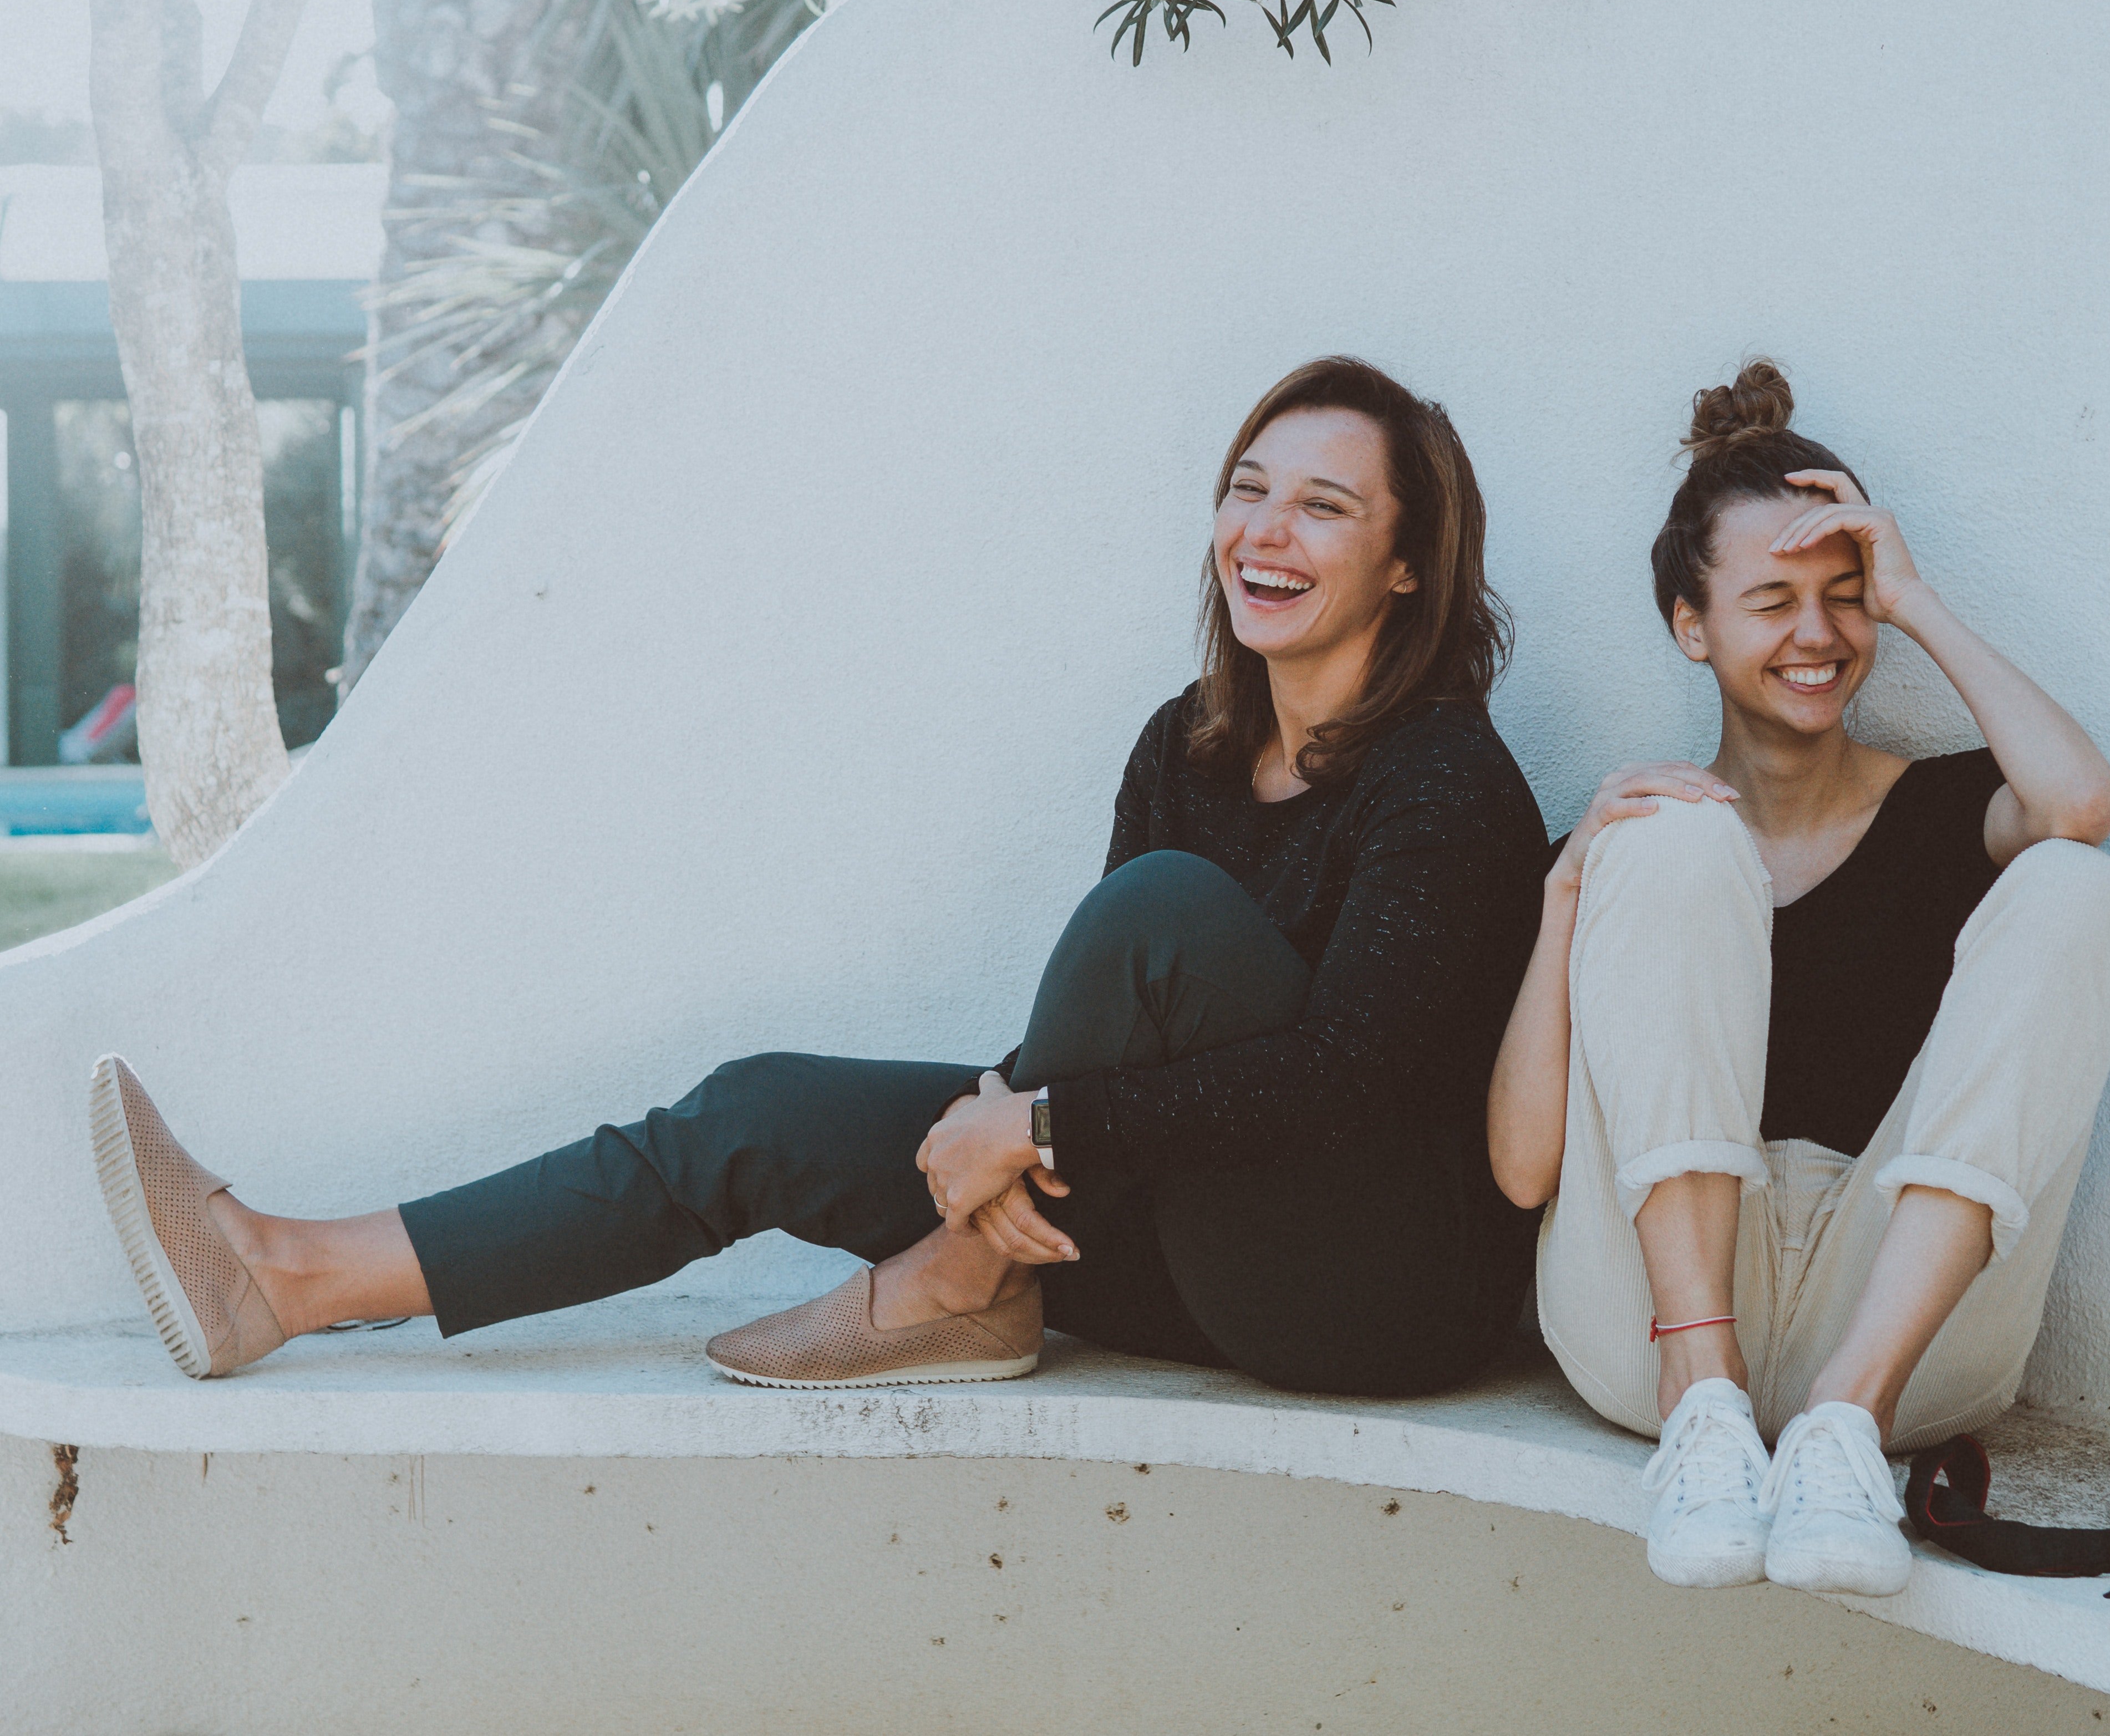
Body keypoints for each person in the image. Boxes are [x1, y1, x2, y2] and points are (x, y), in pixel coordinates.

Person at [93, 357, 1547, 1400]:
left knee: (1154, 915)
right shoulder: (1189, 742)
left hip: (1367, 1298)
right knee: (754, 1111)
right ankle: (285, 1275)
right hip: (1184, 1240)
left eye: (1323, 508)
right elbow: (1110, 1039)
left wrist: (1031, 1118)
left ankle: (961, 1283)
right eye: (1247, 489)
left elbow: (1351, 1078)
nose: (1264, 532)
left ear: (1407, 567)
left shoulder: (1441, 779)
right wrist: (1010, 1123)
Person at [1487, 360, 2110, 1596]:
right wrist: (1567, 889)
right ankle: (1706, 1398)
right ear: (1693, 627)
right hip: (1649, 1328)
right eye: (1773, 599)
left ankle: (1842, 1421)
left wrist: (1919, 603)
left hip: (1897, 1328)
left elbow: (2082, 803)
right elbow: (1524, 1169)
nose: (1817, 634)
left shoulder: (1947, 809)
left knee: (2081, 884)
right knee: (1671, 835)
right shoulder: (1635, 848)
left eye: (1844, 600)